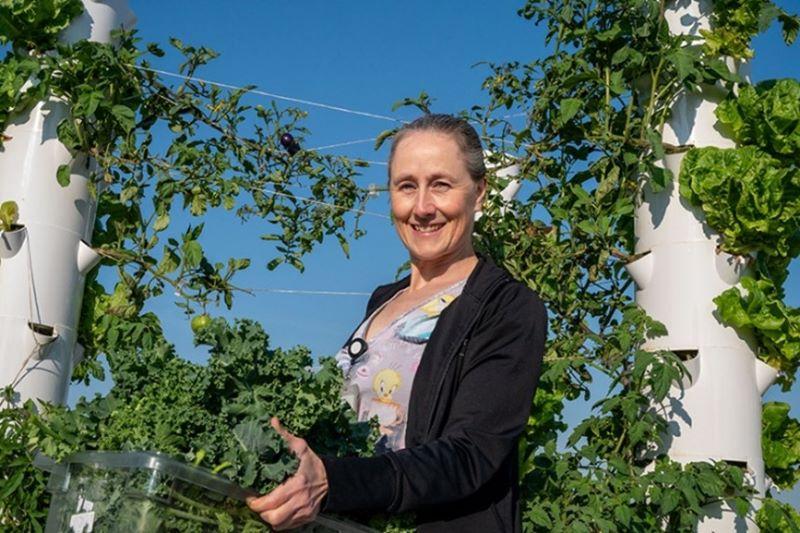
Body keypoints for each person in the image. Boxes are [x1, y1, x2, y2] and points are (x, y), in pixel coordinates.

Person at [247, 114, 547, 532]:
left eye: (441, 184)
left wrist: (333, 482)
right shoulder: (382, 301)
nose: (423, 208)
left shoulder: (507, 307)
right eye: (407, 186)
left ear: (479, 193)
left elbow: (470, 455)